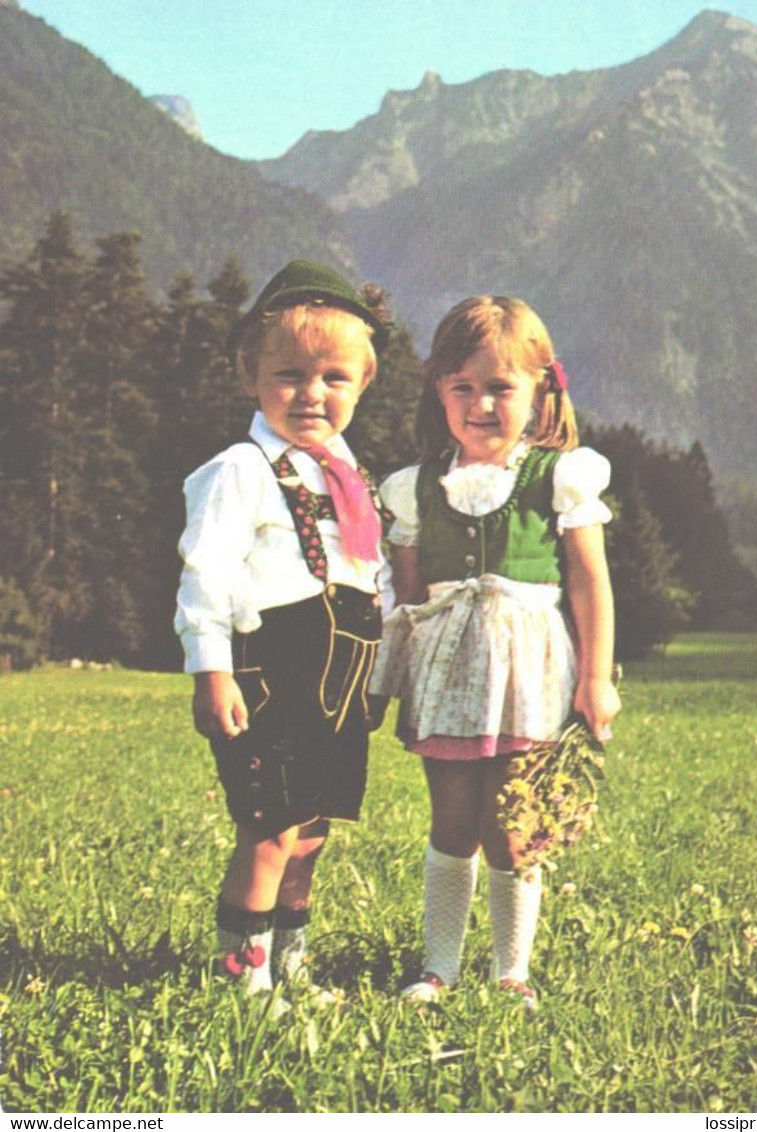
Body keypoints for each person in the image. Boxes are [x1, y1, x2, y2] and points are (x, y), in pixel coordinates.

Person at [370, 295, 621, 1007]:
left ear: (540, 389)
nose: (482, 404)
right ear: (439, 392)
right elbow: (408, 601)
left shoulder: (558, 478)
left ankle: (512, 970)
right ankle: (438, 967)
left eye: (501, 387)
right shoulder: (415, 488)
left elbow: (590, 583)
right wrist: (389, 681)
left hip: (532, 674)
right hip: (449, 674)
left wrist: (596, 678)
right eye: (463, 387)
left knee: (515, 827)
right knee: (451, 822)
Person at [175, 260, 387, 1008]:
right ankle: (246, 982)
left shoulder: (348, 476)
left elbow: (369, 576)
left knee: (313, 830)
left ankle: (291, 961)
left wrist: (380, 677)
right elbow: (205, 569)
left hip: (340, 680)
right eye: (290, 374)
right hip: (273, 672)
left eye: (334, 377)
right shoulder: (242, 468)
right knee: (269, 828)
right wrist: (211, 667)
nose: (312, 394)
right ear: (249, 376)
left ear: (362, 384)